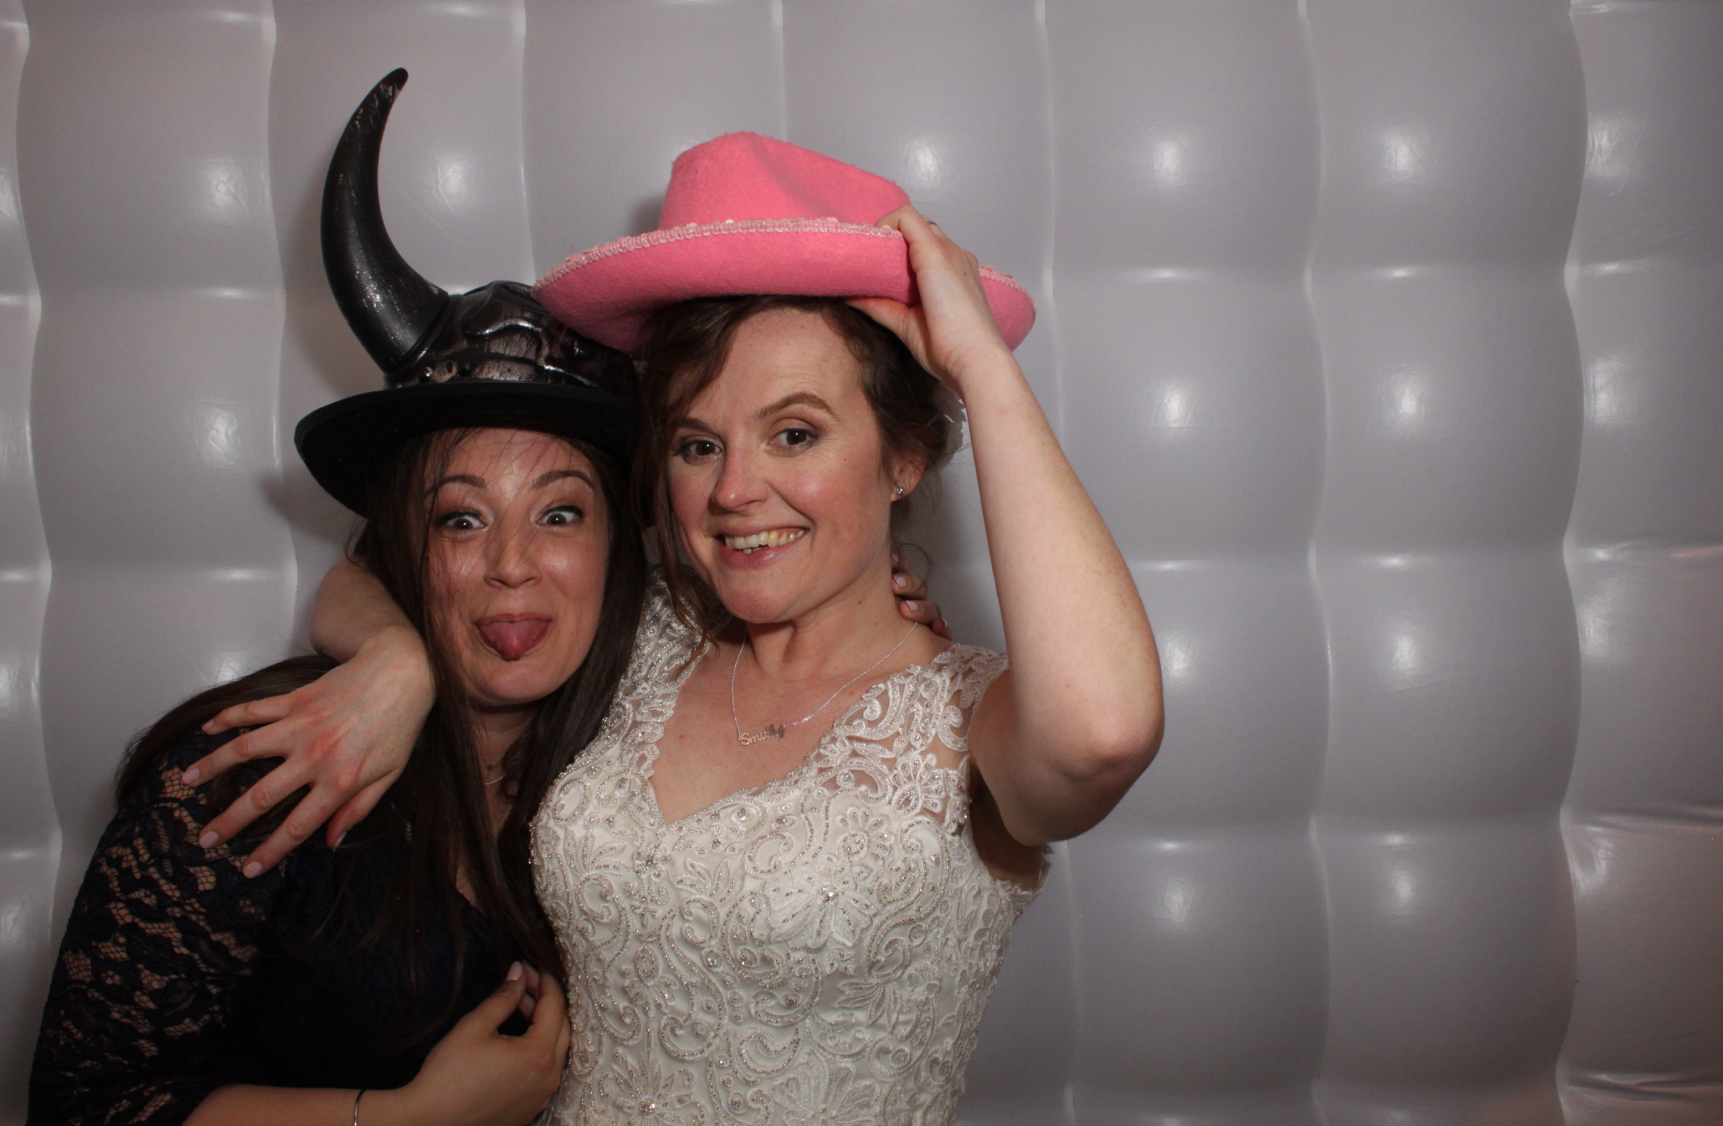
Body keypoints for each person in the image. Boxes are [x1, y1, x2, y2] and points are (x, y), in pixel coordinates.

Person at [198, 131, 1164, 1123]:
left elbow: (1103, 733)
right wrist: (396, 661)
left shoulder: (974, 725)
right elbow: (401, 574)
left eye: (795, 433)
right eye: (699, 444)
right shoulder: (643, 629)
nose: (735, 491)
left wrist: (979, 364)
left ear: (906, 454)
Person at [26, 71, 647, 1126]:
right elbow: (83, 1108)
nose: (511, 565)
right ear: (401, 548)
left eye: (558, 514)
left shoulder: (641, 754)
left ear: (619, 548)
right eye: (460, 520)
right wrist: (398, 1122)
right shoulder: (250, 777)